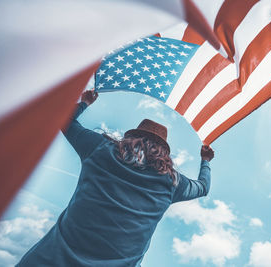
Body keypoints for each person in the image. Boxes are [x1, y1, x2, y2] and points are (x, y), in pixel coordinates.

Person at [17, 90, 214, 267]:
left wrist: (85, 102)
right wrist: (205, 160)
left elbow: (65, 120)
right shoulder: (173, 183)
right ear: (163, 151)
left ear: (132, 137)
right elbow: (203, 187)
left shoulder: (101, 149)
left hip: (49, 260)